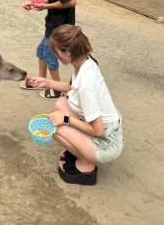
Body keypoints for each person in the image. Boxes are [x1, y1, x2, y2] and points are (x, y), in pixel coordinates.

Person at [28, 25, 124, 185]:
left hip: (106, 141)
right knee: (61, 102)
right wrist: (47, 82)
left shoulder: (87, 84)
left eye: (58, 53)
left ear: (69, 51)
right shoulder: (86, 62)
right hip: (110, 128)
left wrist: (65, 119)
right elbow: (72, 86)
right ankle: (82, 149)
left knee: (54, 126)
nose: (57, 56)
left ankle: (86, 163)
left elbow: (98, 131)